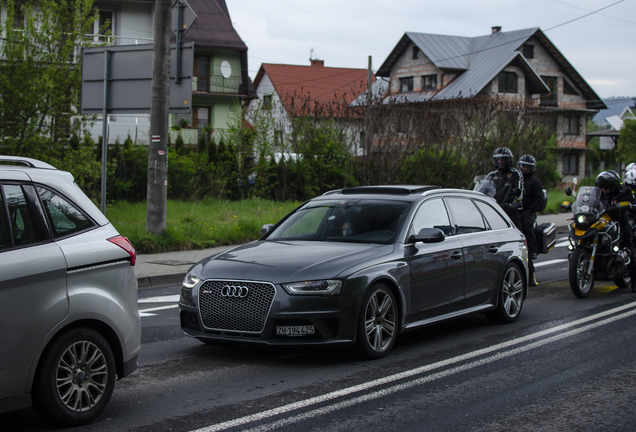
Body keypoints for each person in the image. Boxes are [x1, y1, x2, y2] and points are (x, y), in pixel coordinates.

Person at [595, 171, 636, 293]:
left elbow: (632, 204)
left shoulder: (624, 192)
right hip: (602, 222)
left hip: (619, 224)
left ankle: (635, 280)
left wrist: (628, 205)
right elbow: (590, 201)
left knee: (628, 247)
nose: (604, 190)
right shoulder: (599, 193)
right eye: (602, 188)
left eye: (606, 188)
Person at [518, 155, 543, 286]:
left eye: (528, 167)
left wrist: (528, 211)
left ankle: (532, 249)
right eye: (523, 166)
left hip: (528, 212)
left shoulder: (535, 182)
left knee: (526, 225)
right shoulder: (514, 179)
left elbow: (539, 200)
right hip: (513, 211)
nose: (525, 169)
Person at [485, 147, 524, 230]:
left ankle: (523, 242)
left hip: (509, 209)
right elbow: (482, 189)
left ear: (509, 160)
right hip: (494, 208)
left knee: (518, 230)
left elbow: (520, 190)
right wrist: (473, 194)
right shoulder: (491, 175)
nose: (500, 162)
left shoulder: (515, 173)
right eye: (498, 160)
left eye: (503, 160)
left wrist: (516, 202)